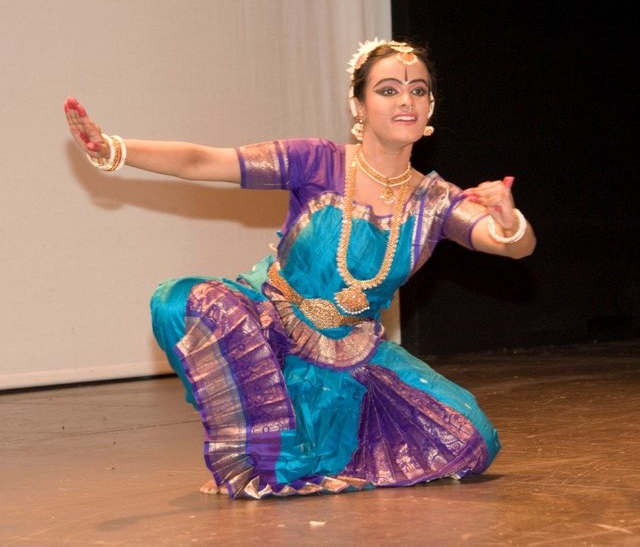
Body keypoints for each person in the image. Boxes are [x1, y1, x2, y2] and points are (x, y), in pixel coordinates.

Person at [64, 38, 536, 500]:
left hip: (351, 354)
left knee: (469, 437)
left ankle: (311, 448)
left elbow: (509, 246)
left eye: (419, 90)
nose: (406, 100)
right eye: (388, 89)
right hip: (270, 330)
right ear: (358, 104)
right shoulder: (316, 161)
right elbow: (203, 160)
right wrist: (113, 149)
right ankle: (259, 452)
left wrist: (511, 222)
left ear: (431, 108)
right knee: (182, 300)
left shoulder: (435, 201)